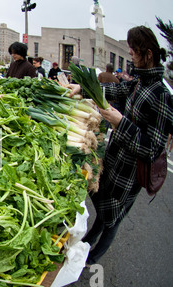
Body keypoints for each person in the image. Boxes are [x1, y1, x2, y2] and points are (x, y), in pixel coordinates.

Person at [68, 26, 172, 266]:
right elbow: (117, 88)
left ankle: (91, 258)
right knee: (103, 211)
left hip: (130, 172)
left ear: (147, 53)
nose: (130, 53)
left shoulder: (162, 94)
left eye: (133, 50)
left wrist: (120, 122)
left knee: (113, 219)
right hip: (116, 161)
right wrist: (82, 89)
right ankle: (87, 243)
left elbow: (152, 149)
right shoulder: (140, 81)